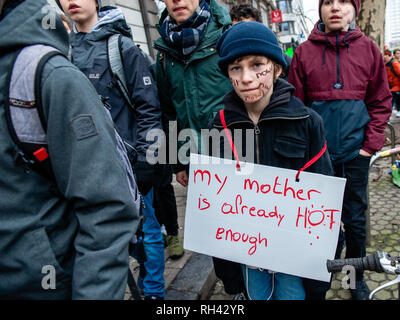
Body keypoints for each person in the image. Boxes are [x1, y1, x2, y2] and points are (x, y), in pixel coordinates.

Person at [0, 0, 140, 299]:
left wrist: (143, 157)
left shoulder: (55, 71)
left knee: (150, 231)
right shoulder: (69, 50)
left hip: (122, 163)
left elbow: (108, 213)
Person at [212, 21, 333, 300]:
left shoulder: (306, 121)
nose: (246, 77)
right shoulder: (218, 126)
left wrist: (320, 274)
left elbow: (325, 197)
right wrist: (228, 273)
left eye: (257, 65)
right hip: (246, 253)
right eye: (235, 68)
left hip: (295, 254)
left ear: (277, 68)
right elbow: (214, 204)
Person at [57, 0, 166, 300]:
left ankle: (154, 296)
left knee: (148, 236)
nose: (71, 1)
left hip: (130, 168)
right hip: (85, 172)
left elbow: (149, 109)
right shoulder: (61, 51)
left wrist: (146, 161)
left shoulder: (122, 49)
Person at [288, 0, 392, 300]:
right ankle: (319, 277)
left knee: (356, 221)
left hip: (355, 156)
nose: (335, 8)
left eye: (343, 1)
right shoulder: (304, 53)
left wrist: (368, 147)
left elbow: (380, 102)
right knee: (320, 223)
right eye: (327, 2)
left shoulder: (369, 50)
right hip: (318, 159)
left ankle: (352, 278)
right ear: (320, 9)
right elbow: (297, 106)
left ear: (354, 9)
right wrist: (305, 152)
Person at [154, 0, 247, 298]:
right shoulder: (164, 51)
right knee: (217, 238)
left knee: (248, 229)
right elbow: (168, 111)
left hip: (239, 154)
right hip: (197, 162)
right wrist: (178, 163)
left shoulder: (227, 37)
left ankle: (257, 287)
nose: (177, 1)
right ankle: (236, 293)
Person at [229, 4, 292, 80]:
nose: (243, 35)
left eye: (248, 28)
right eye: (237, 30)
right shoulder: (226, 61)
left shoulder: (282, 60)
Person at [384, 50, 400, 117]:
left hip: (396, 87)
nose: (384, 57)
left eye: (385, 56)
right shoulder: (385, 65)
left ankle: (387, 117)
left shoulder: (394, 64)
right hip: (391, 88)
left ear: (389, 56)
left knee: (391, 102)